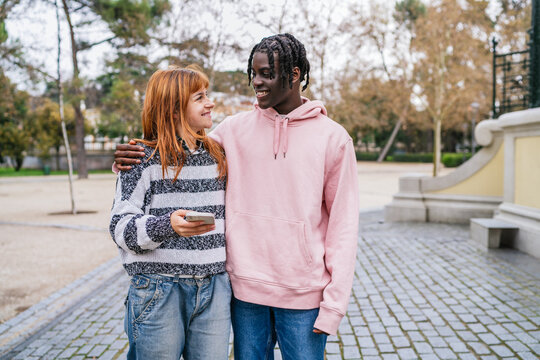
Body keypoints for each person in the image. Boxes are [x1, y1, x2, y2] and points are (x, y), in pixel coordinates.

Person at [115, 33, 359, 360]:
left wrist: (335, 305)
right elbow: (180, 144)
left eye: (266, 74)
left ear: (295, 74)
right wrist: (129, 156)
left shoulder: (334, 139)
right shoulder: (232, 130)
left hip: (304, 297)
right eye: (253, 74)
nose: (256, 82)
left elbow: (343, 228)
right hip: (245, 293)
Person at [110, 66, 231, 360]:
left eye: (208, 95)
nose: (210, 103)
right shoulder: (142, 160)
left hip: (214, 287)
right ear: (175, 109)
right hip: (158, 288)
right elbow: (120, 227)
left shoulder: (219, 156)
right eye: (199, 98)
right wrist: (167, 225)